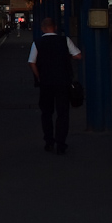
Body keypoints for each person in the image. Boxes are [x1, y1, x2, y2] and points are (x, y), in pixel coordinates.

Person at [28, 17, 82, 154]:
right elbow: (78, 56)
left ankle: (49, 142)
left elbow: (31, 62)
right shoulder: (65, 40)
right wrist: (65, 57)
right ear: (55, 27)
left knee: (46, 113)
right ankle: (61, 143)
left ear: (42, 28)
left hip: (45, 83)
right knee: (62, 113)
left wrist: (39, 76)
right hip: (63, 82)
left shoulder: (37, 43)